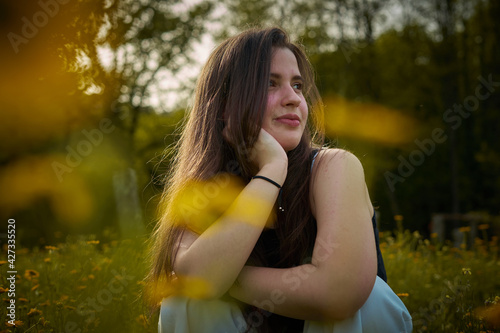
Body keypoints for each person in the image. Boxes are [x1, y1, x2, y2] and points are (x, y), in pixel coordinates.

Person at [148, 27, 413, 333]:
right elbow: (196, 284)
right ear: (224, 107)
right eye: (270, 83)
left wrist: (226, 277)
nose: (293, 99)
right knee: (186, 301)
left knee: (371, 297)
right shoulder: (203, 188)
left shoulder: (333, 167)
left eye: (298, 85)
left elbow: (340, 292)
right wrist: (272, 170)